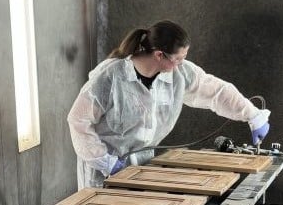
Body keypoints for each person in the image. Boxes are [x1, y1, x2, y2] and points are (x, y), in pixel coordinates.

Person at [67, 20, 271, 189]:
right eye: (178, 59)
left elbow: (216, 91)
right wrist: (105, 161)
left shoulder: (177, 73)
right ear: (158, 55)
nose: (181, 64)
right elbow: (78, 120)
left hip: (142, 166)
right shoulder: (110, 78)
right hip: (104, 172)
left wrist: (252, 114)